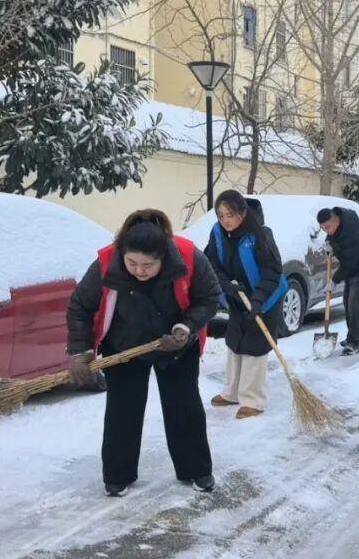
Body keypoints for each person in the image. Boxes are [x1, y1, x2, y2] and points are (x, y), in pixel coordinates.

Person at [66, 209, 221, 497]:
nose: (139, 270)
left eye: (148, 265)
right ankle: (118, 475)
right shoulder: (106, 262)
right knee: (122, 410)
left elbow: (210, 297)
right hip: (124, 346)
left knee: (183, 406)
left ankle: (196, 469)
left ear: (163, 257)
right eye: (132, 263)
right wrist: (79, 351)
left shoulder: (187, 256)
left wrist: (185, 328)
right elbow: (79, 306)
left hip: (175, 342)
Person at [204, 190, 288, 419]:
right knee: (234, 341)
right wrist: (226, 286)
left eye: (229, 214)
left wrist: (258, 300)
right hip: (237, 294)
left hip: (266, 295)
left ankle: (253, 399)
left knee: (255, 344)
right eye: (220, 216)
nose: (225, 220)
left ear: (242, 212)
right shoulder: (218, 233)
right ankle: (232, 392)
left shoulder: (259, 235)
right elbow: (210, 261)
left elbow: (273, 271)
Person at [317, 205, 359, 356]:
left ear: (336, 221)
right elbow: (333, 236)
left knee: (354, 303)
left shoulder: (353, 232)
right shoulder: (335, 225)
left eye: (328, 227)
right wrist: (329, 243)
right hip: (351, 267)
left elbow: (349, 264)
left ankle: (354, 342)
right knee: (347, 302)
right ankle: (351, 336)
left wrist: (333, 281)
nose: (327, 231)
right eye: (323, 229)